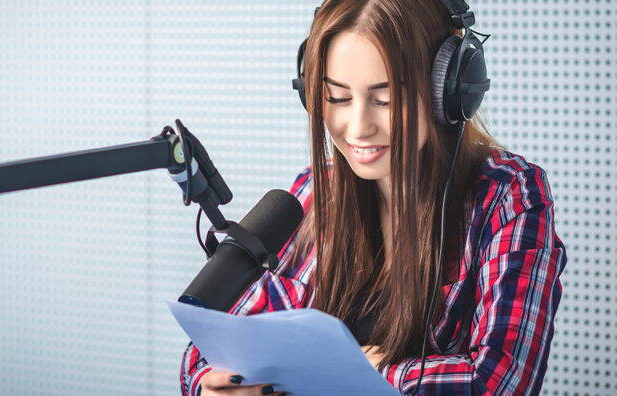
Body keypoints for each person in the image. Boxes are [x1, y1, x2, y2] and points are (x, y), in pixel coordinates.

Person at [180, 0, 567, 394]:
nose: (359, 127)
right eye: (338, 98)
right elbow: (211, 350)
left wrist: (354, 372)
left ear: (448, 92)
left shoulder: (509, 197)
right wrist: (212, 386)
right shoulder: (314, 192)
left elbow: (499, 383)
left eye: (385, 99)